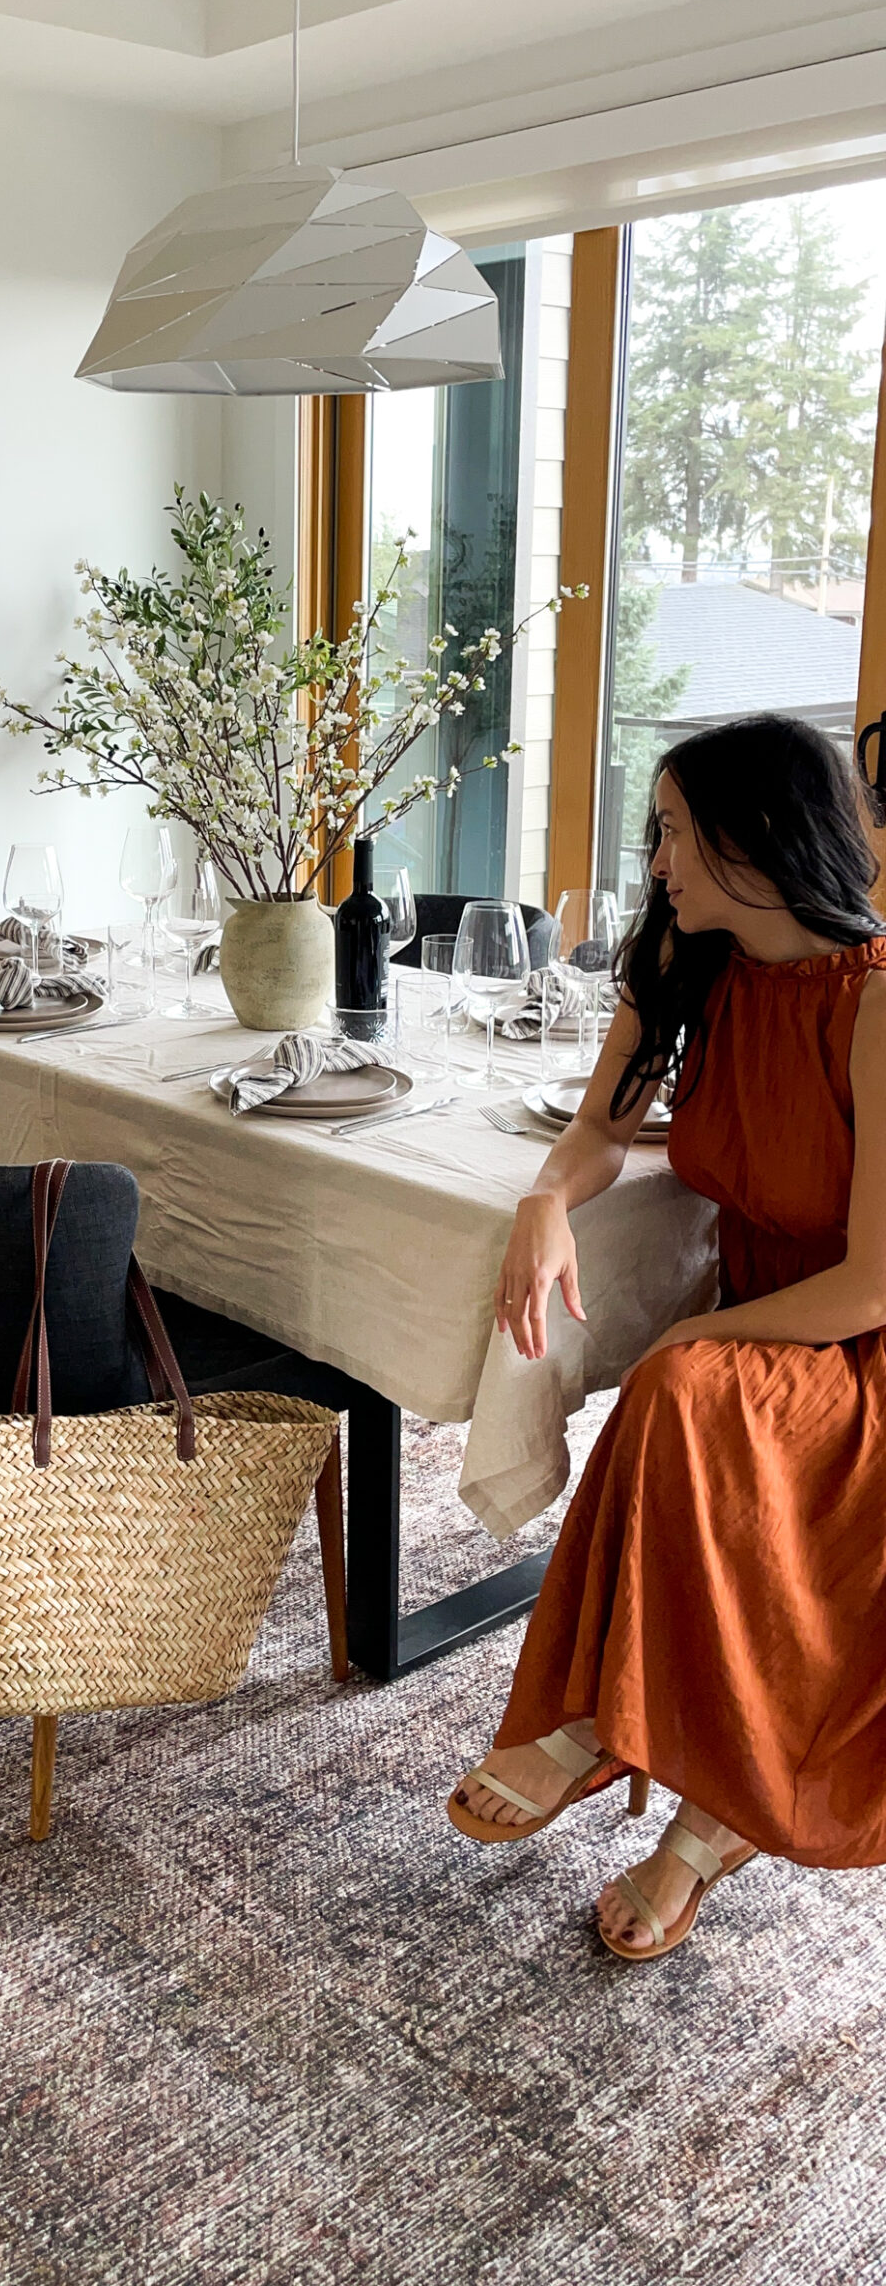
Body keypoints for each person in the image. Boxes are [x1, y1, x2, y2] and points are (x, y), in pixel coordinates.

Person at [449, 713, 886, 1960]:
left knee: (681, 1386)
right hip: (765, 1328)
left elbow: (871, 1286)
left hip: (857, 1350)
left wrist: (685, 1345)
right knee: (690, 1393)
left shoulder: (879, 1008)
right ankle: (623, 1744)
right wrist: (545, 1203)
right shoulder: (689, 964)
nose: (657, 863)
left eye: (678, 833)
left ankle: (634, 1767)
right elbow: (600, 1129)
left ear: (759, 840)